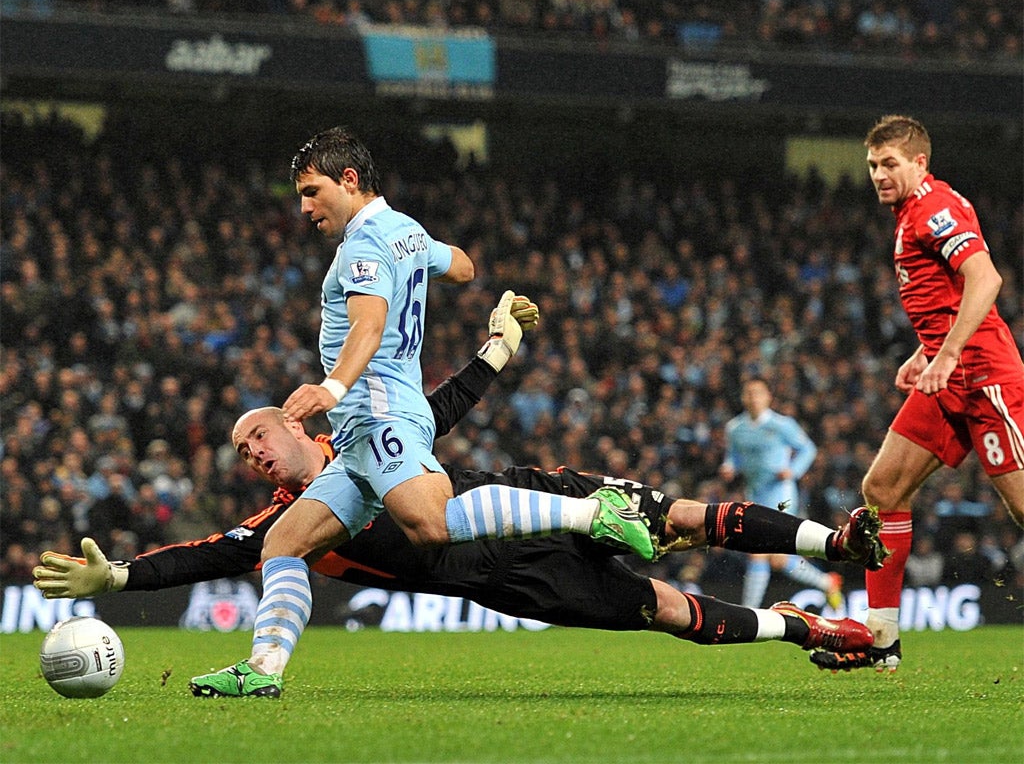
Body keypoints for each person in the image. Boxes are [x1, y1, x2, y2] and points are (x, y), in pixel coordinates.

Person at [33, 300, 887, 698]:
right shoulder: (294, 524)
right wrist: (119, 582)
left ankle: (835, 545)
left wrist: (498, 350)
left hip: (516, 496)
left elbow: (437, 408)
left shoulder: (368, 439)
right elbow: (210, 554)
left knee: (687, 520)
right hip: (506, 579)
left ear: (296, 422)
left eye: (256, 437)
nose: (251, 455)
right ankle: (819, 630)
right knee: (667, 607)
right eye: (241, 454)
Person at [211, 128, 654, 696]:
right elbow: (464, 266)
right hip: (359, 437)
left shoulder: (362, 247)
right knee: (283, 544)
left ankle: (594, 514)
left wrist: (332, 387)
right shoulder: (406, 231)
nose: (304, 207)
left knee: (432, 524)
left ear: (349, 180)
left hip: (379, 415)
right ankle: (263, 670)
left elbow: (368, 326)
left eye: (312, 190)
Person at [812, 115, 1024, 674]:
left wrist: (949, 352)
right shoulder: (912, 211)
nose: (879, 175)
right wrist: (928, 350)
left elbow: (986, 279)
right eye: (873, 166)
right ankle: (880, 637)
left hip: (983, 375)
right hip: (946, 373)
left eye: (890, 164)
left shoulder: (934, 208)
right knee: (882, 488)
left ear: (919, 163)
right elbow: (947, 297)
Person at [720, 377, 843, 609]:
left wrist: (793, 471)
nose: (753, 398)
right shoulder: (736, 428)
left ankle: (750, 613)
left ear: (768, 397)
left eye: (758, 393)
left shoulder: (782, 425)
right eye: (749, 393)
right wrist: (730, 467)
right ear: (743, 398)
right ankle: (827, 582)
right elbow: (733, 456)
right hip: (754, 494)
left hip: (781, 496)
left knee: (757, 551)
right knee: (779, 559)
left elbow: (807, 448)